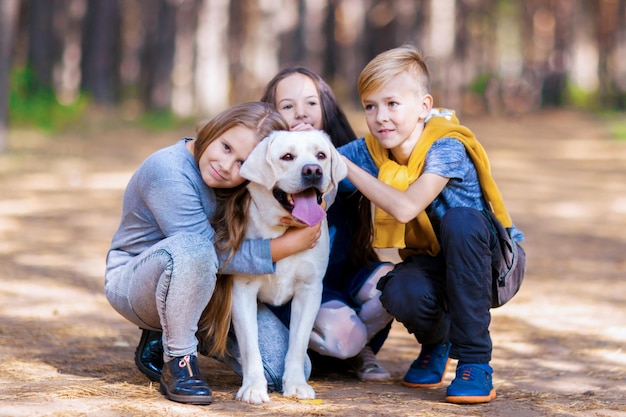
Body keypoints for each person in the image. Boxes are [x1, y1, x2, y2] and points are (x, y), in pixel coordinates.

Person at [337, 46, 526, 404]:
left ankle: (474, 360)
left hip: (486, 265)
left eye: (392, 104)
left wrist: (344, 166)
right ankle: (437, 342)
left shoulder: (446, 145)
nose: (380, 117)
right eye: (370, 106)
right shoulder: (371, 150)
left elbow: (407, 207)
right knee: (399, 289)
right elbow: (317, 161)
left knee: (460, 221)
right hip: (433, 263)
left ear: (424, 107)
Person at [105, 102, 321, 405]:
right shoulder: (167, 172)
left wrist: (308, 205)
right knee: (194, 248)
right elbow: (209, 256)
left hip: (210, 291)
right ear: (215, 127)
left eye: (242, 163)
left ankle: (189, 329)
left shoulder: (245, 183)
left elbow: (308, 177)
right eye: (226, 147)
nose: (226, 164)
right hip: (140, 285)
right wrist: (288, 245)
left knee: (278, 371)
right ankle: (177, 358)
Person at [259, 66, 395, 381]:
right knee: (344, 335)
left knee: (399, 285)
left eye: (310, 103)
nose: (301, 113)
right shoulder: (268, 166)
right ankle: (345, 344)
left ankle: (352, 343)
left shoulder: (344, 156)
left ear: (326, 109)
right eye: (287, 106)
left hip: (347, 272)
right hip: (297, 283)